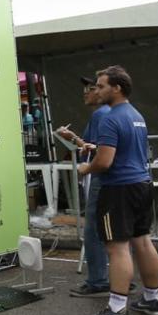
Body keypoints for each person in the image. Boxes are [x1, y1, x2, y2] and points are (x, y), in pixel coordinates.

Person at [69, 66, 158, 315]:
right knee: (143, 241)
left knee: (117, 247)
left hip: (118, 188)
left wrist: (86, 167)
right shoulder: (137, 115)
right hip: (142, 184)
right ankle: (152, 300)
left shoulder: (110, 117)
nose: (96, 90)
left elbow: (105, 162)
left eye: (100, 86)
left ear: (116, 88)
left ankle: (117, 310)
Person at [57, 77, 112, 297]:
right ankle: (120, 281)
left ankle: (98, 281)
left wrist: (86, 169)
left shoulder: (101, 114)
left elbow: (99, 151)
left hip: (104, 177)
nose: (87, 94)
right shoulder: (121, 113)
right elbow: (93, 145)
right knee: (118, 236)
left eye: (92, 89)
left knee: (93, 231)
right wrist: (73, 138)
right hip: (119, 180)